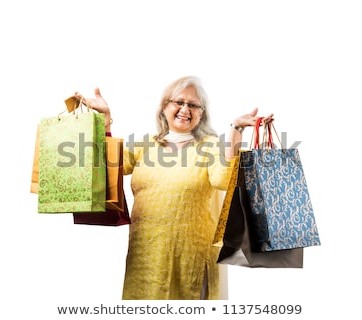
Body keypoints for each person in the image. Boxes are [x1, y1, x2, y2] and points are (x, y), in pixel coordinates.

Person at [74, 76, 273, 300]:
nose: (185, 109)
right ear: (164, 107)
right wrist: (105, 120)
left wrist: (236, 130)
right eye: (178, 102)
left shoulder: (209, 145)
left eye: (193, 105)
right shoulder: (146, 144)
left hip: (191, 259)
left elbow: (223, 180)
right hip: (146, 256)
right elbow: (107, 167)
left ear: (201, 112)